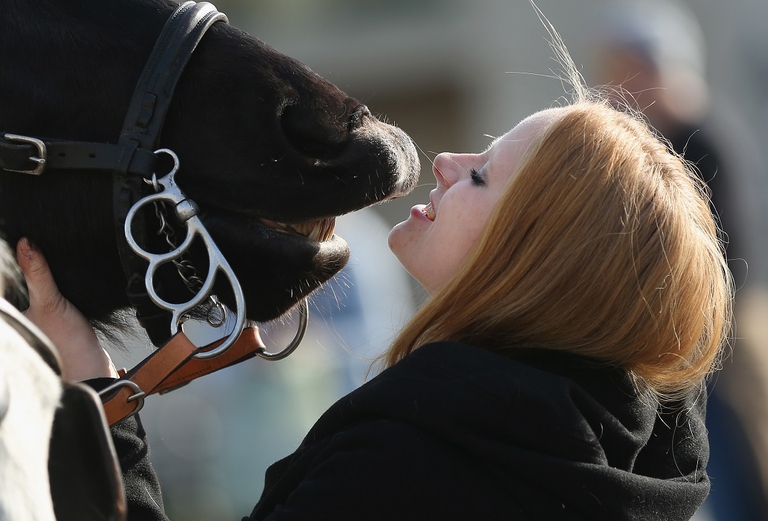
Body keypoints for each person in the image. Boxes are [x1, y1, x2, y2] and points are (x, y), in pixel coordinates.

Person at [16, 39, 732, 520]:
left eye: (481, 175)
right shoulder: (630, 473)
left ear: (528, 260)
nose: (445, 160)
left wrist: (102, 416)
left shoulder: (415, 463)